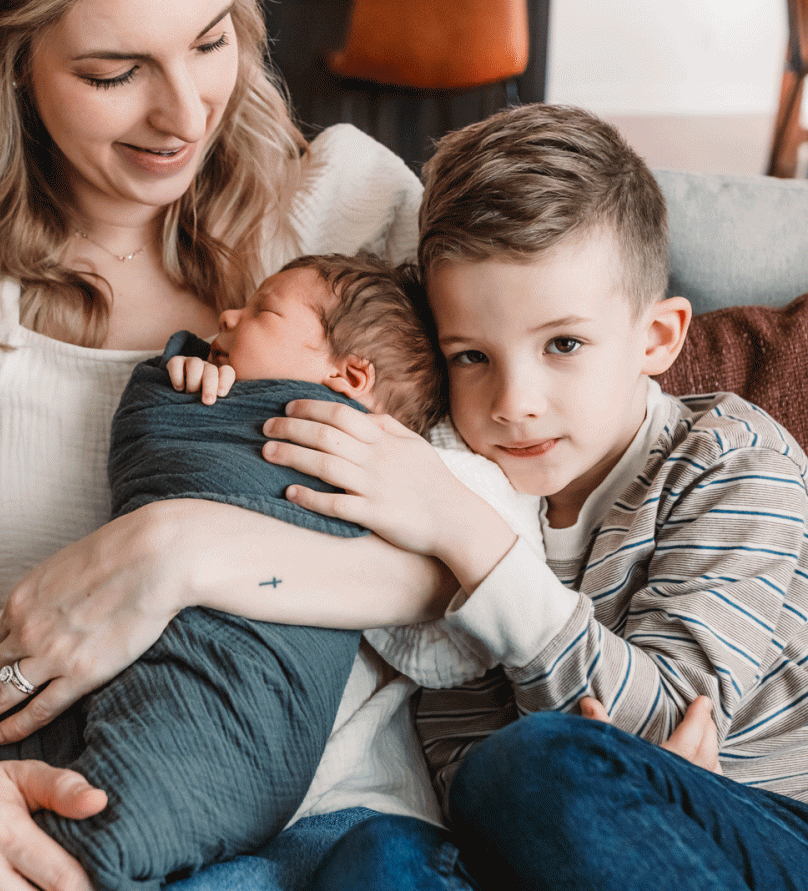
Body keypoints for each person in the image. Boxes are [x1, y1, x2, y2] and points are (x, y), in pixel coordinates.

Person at [0, 0, 468, 891]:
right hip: (50, 810)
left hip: (339, 826)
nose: (184, 113)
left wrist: (177, 553)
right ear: (10, 56)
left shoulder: (354, 217)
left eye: (208, 43)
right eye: (111, 72)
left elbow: (489, 543)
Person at [289, 103, 808, 891]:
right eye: (471, 356)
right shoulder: (456, 483)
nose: (514, 401)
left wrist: (475, 547)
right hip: (559, 838)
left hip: (763, 822)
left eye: (563, 344)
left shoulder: (731, 457)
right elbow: (458, 753)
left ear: (657, 339)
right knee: (374, 855)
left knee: (536, 761)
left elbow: (673, 722)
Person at [0, 252, 541, 891]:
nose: (228, 315)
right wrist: (176, 387)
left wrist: (187, 551)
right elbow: (157, 446)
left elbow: (466, 613)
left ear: (350, 375)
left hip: (294, 772)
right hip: (98, 682)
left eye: (262, 310)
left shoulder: (407, 469)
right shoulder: (206, 387)